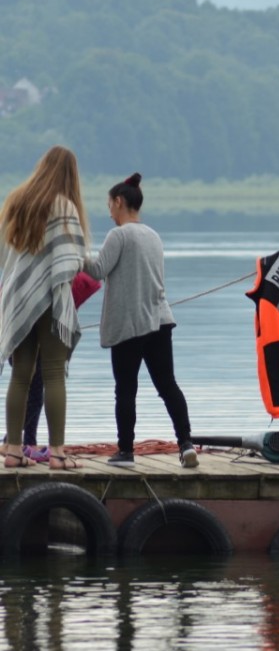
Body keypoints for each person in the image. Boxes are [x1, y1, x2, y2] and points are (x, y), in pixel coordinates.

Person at [83, 173, 198, 468]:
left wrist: (76, 252)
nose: (109, 211)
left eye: (110, 205)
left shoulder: (118, 235)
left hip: (130, 324)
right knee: (167, 384)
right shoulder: (153, 235)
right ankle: (186, 444)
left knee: (126, 388)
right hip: (159, 321)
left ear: (119, 202)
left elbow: (97, 270)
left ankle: (126, 451)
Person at [0, 145, 89, 470]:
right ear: (70, 174)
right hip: (51, 297)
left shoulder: (16, 199)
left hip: (17, 296)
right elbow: (71, 259)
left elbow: (4, 254)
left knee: (20, 374)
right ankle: (57, 453)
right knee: (53, 374)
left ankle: (12, 451)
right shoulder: (63, 204)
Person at [0, 271, 101, 462]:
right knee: (37, 392)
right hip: (35, 334)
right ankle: (14, 443)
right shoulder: (67, 283)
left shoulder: (20, 273)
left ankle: (24, 443)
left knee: (24, 385)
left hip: (15, 327)